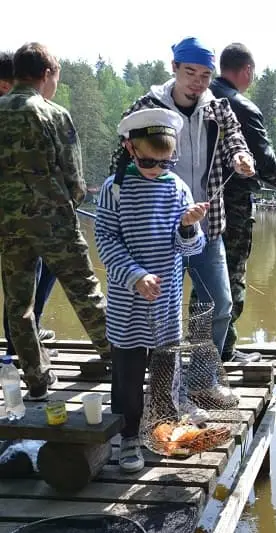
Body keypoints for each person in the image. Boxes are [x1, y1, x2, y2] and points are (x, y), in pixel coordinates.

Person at [108, 37, 256, 378]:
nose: (198, 82)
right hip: (156, 230)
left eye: (205, 75)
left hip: (205, 226)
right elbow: (122, 156)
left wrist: (241, 156)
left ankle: (203, 379)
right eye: (190, 72)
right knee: (154, 309)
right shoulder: (146, 107)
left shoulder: (218, 107)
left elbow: (235, 136)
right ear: (174, 68)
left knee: (217, 306)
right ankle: (151, 381)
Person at [96, 108, 208, 473]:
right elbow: (106, 241)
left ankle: (161, 425)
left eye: (166, 161)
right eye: (148, 160)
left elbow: (191, 250)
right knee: (127, 372)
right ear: (130, 148)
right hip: (128, 299)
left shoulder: (177, 188)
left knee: (166, 367)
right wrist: (135, 275)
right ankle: (129, 435)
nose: (157, 168)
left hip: (167, 301)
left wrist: (189, 227)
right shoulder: (115, 189)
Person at [0, 42, 111, 401]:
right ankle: (118, 361)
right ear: (46, 74)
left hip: (7, 226)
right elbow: (75, 181)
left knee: (19, 306)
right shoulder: (53, 114)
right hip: (54, 224)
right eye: (57, 76)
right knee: (85, 292)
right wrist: (64, 204)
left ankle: (37, 381)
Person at [209, 43, 276, 363]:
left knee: (207, 277)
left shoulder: (201, 99)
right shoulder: (241, 106)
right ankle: (223, 349)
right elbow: (264, 161)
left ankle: (206, 347)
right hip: (232, 206)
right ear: (246, 70)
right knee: (231, 272)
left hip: (197, 205)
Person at [0, 50, 59, 355]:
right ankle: (20, 343)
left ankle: (26, 334)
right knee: (22, 279)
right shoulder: (37, 111)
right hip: (26, 217)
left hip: (22, 213)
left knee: (25, 277)